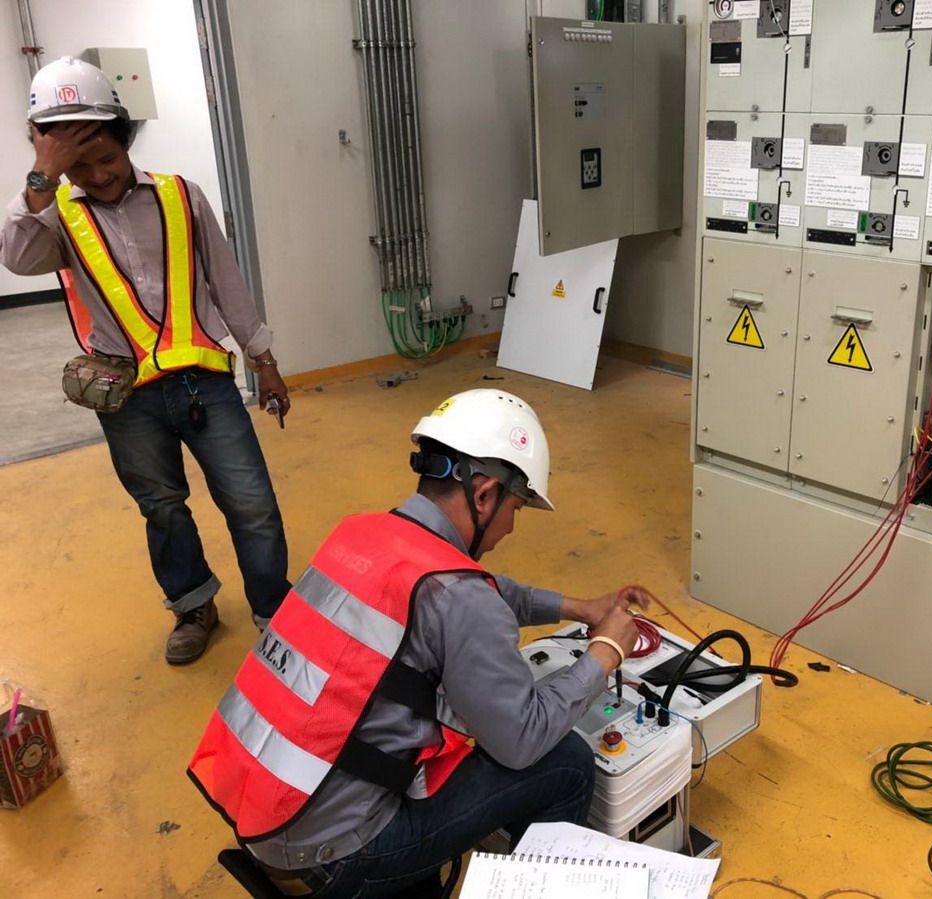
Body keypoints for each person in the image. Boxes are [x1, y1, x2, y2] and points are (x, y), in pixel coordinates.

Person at [188, 389, 652, 898]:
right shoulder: (459, 595)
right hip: (335, 852)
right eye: (515, 508)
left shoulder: (361, 534)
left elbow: (475, 591)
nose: (510, 528)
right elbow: (520, 739)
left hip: (259, 809)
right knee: (566, 763)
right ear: (484, 495)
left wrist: (578, 608)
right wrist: (605, 653)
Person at [0, 58, 291, 663]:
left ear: (126, 139)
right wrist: (41, 177)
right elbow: (18, 259)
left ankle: (274, 607)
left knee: (252, 503)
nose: (99, 175)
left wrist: (263, 358)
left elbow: (227, 283)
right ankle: (193, 605)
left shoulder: (181, 196)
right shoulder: (59, 216)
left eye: (106, 158)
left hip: (206, 386)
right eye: (79, 167)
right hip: (127, 396)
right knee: (162, 508)